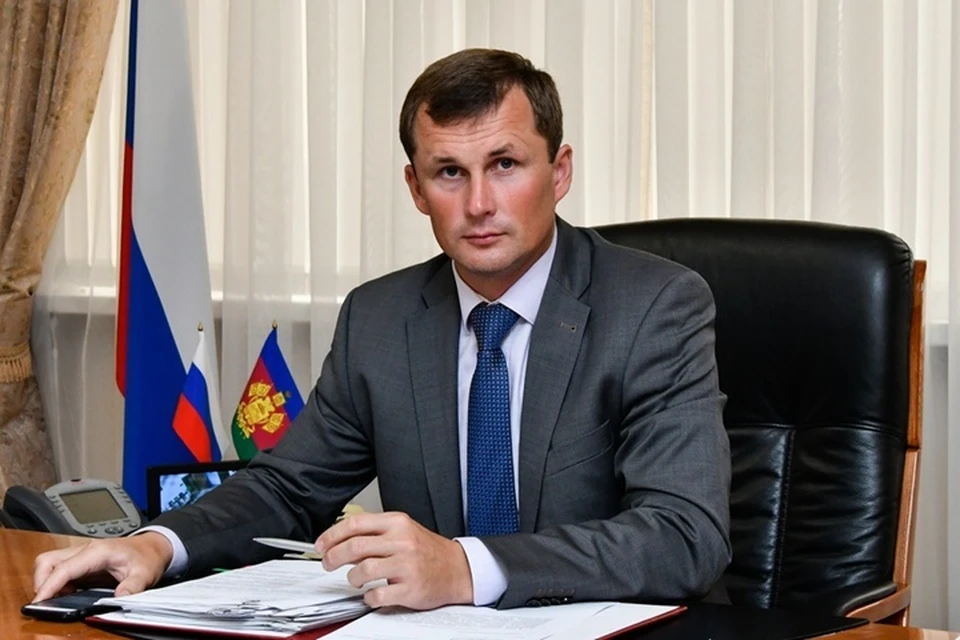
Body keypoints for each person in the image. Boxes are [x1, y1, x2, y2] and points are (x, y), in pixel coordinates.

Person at [33, 48, 731, 612]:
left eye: (505, 165)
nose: (479, 203)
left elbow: (685, 535)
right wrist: (157, 544)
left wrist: (464, 567)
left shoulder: (654, 306)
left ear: (560, 171)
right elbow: (287, 489)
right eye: (449, 172)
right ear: (416, 188)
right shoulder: (380, 316)